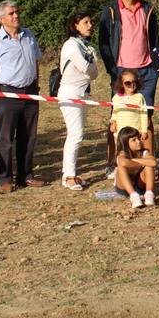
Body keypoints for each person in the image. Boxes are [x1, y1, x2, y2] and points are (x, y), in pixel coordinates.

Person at [0, 0, 45, 192]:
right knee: (5, 138)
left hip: (30, 92)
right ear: (2, 19)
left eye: (17, 12)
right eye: (11, 13)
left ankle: (26, 176)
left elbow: (35, 62)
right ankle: (4, 178)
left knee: (29, 137)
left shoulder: (29, 35)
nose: (16, 16)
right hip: (8, 92)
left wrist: (36, 85)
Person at [97, 0, 159, 125]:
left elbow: (155, 39)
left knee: (146, 118)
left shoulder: (147, 9)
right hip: (122, 71)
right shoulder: (111, 11)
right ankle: (116, 150)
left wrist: (156, 66)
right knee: (118, 118)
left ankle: (147, 150)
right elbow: (103, 43)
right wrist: (112, 69)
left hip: (147, 71)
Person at [56, 12, 97, 190]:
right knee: (75, 135)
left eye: (90, 22)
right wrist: (90, 67)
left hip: (83, 93)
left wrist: (90, 67)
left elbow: (94, 73)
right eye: (85, 22)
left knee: (78, 135)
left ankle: (71, 173)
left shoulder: (86, 45)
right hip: (70, 93)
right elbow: (85, 67)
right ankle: (68, 176)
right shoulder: (71, 45)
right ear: (75, 25)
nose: (90, 25)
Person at [110, 69, 153, 160]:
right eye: (128, 83)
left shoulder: (139, 97)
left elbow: (143, 113)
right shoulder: (116, 97)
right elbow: (114, 111)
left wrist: (144, 130)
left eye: (134, 82)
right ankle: (119, 169)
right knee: (120, 152)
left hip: (135, 131)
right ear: (122, 84)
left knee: (136, 152)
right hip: (120, 132)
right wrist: (113, 122)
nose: (132, 85)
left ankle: (136, 169)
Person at [114, 125, 157, 209]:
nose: (138, 141)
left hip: (139, 185)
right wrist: (142, 162)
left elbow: (153, 162)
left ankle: (149, 194)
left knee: (149, 166)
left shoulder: (144, 152)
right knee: (121, 168)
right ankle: (134, 196)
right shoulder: (122, 153)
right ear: (126, 143)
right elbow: (122, 162)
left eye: (138, 138)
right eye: (134, 140)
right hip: (124, 188)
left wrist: (133, 161)